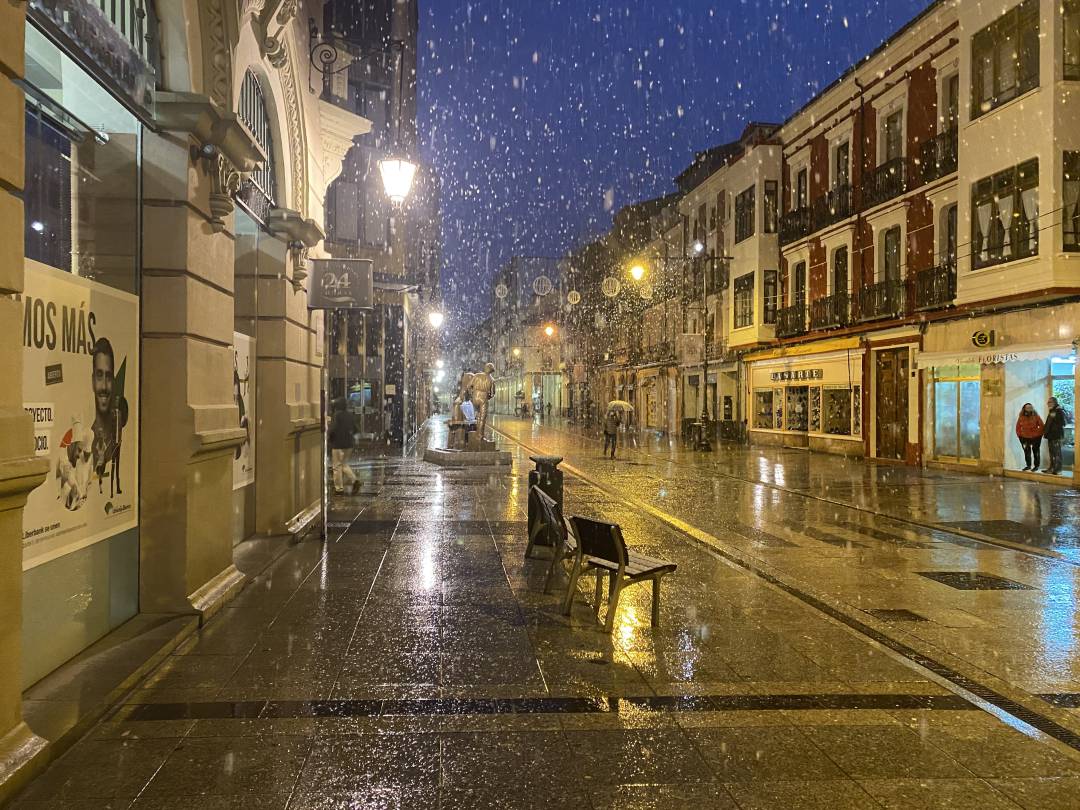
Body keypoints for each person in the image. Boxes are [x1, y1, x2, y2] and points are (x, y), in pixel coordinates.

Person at [328, 398, 358, 494]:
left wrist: (330, 437)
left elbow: (333, 428)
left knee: (337, 466)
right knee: (344, 464)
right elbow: (356, 429)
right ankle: (354, 480)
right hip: (348, 444)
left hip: (338, 444)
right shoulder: (349, 415)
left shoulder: (337, 415)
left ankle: (339, 488)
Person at [1014, 403, 1044, 472]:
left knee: (1036, 451)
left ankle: (1036, 466)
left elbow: (1042, 425)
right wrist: (1019, 435)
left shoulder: (1036, 416)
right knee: (1026, 451)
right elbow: (1018, 427)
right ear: (1024, 408)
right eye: (1027, 407)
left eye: (1030, 407)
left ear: (1032, 408)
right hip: (1024, 437)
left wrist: (1038, 434)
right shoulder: (1021, 416)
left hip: (1035, 437)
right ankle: (1028, 465)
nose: (1028, 409)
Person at [1043, 397, 1069, 475]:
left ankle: (1058, 469)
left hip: (1056, 435)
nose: (1048, 404)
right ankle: (1052, 467)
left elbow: (1063, 423)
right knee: (1052, 453)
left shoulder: (1059, 411)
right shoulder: (1052, 411)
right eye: (1048, 402)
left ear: (1054, 402)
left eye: (1050, 402)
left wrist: (1056, 416)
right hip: (1050, 435)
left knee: (1057, 453)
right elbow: (1049, 423)